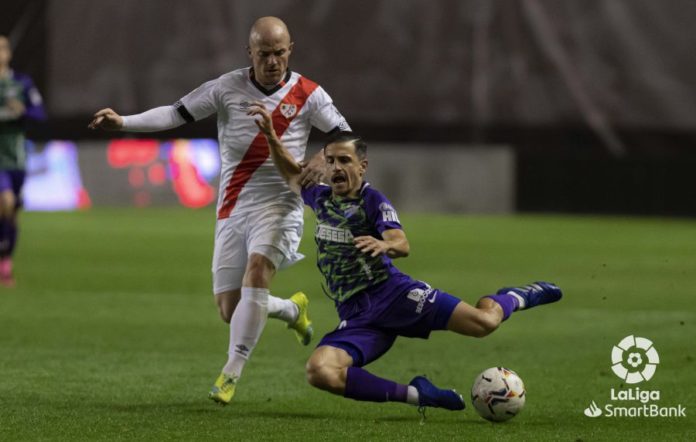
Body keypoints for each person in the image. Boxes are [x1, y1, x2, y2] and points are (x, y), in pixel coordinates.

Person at [88, 16, 351, 404]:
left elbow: (346, 134)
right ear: (250, 53)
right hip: (233, 207)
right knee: (231, 308)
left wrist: (325, 158)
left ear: (290, 50)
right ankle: (292, 311)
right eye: (265, 54)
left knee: (258, 270)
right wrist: (123, 122)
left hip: (282, 202)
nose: (273, 61)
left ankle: (231, 372)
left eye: (280, 53)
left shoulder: (310, 94)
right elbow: (176, 113)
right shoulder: (227, 87)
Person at [249, 103, 563, 413]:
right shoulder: (321, 198)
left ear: (363, 166)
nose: (336, 168)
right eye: (330, 161)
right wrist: (270, 135)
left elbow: (401, 242)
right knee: (319, 372)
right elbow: (292, 176)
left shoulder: (372, 201)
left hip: (395, 296)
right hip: (358, 315)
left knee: (484, 323)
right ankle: (419, 395)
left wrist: (385, 245)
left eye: (344, 160)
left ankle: (514, 297)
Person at [0, 35, 47, 286]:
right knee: (4, 200)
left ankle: (5, 260)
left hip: (16, 157)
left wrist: (23, 111)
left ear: (9, 53)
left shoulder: (21, 83)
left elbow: (40, 114)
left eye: (3, 48)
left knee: (12, 212)